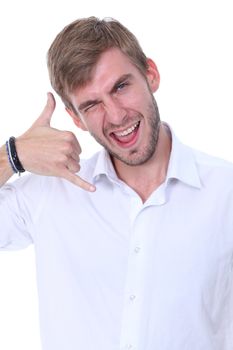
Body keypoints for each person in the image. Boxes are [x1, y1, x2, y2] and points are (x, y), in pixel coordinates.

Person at [0, 16, 233, 350]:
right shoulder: (48, 193)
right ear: (75, 118)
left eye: (120, 87)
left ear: (150, 74)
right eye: (92, 104)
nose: (116, 116)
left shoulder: (226, 193)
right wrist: (12, 155)